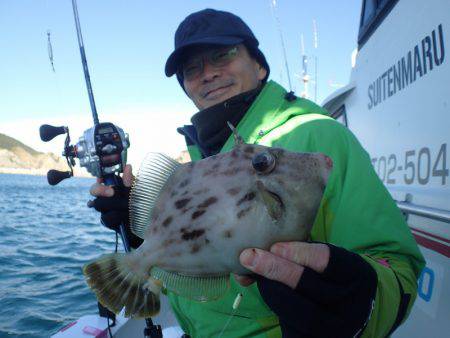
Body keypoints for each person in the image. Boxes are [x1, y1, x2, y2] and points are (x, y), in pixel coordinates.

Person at [90, 8, 425, 338]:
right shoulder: (197, 155)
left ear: (260, 65)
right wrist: (137, 227)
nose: (207, 73)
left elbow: (398, 269)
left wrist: (362, 305)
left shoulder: (319, 134)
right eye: (192, 69)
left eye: (222, 55)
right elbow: (203, 246)